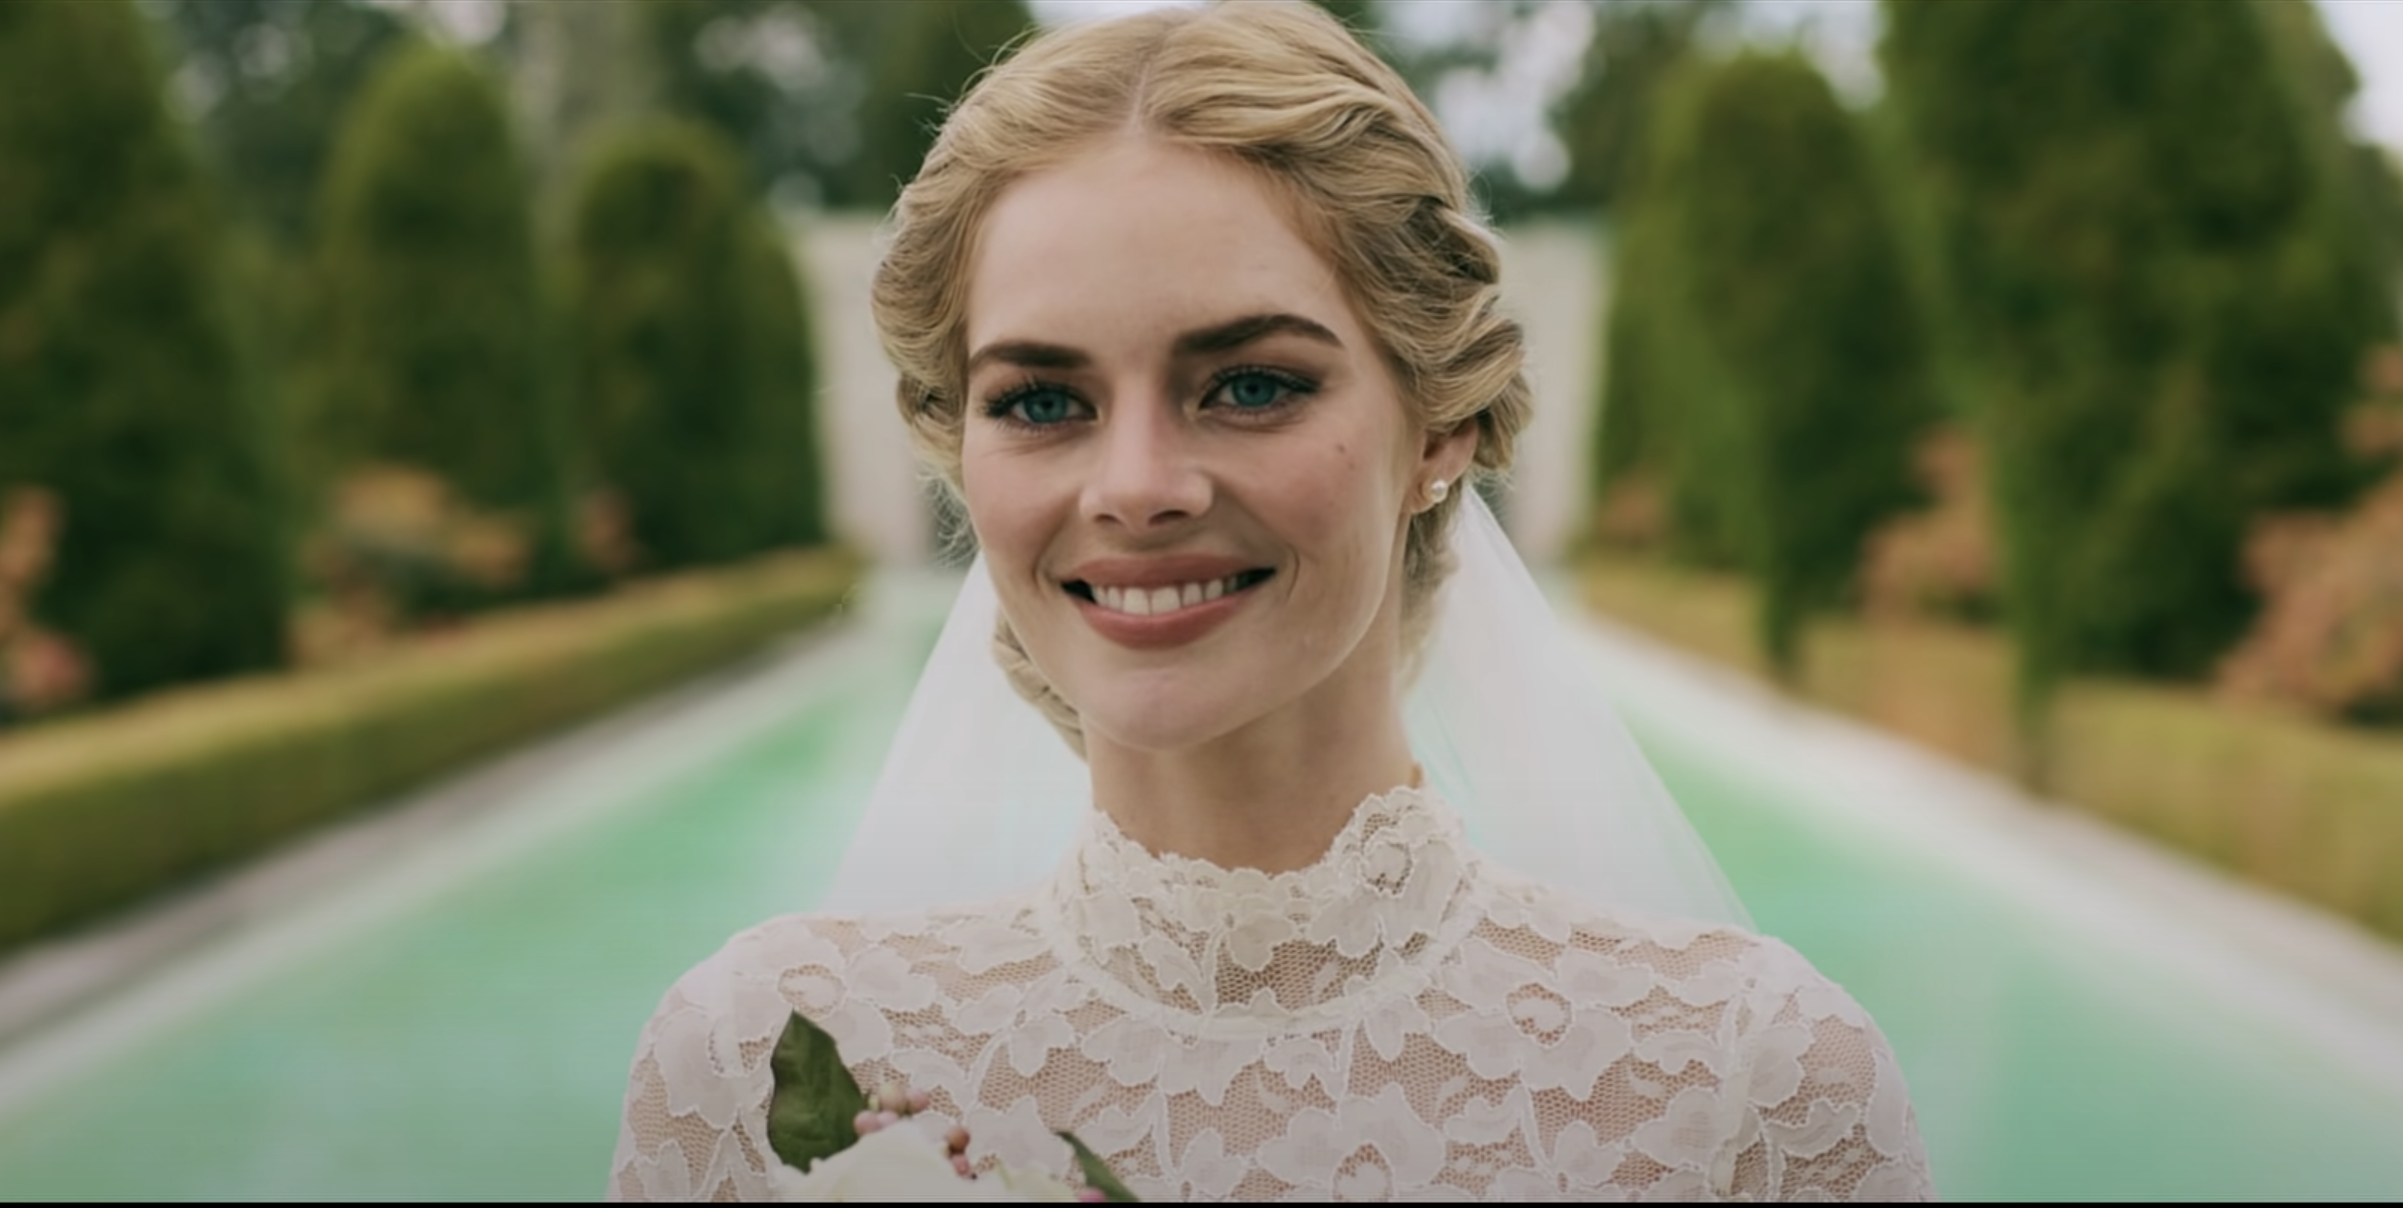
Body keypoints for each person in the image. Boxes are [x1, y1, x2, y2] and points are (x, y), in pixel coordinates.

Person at [608, 4, 1932, 1200]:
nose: (1134, 488)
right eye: (1042, 402)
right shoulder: (754, 1066)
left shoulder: (1754, 1091)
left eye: (1248, 383)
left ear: (1441, 429)